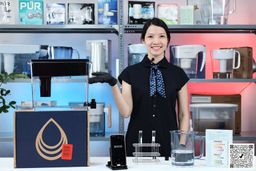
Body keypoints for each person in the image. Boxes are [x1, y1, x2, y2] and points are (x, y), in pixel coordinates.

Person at [89, 18, 190, 158]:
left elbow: (184, 115)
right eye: (150, 36)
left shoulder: (178, 74)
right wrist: (113, 84)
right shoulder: (130, 73)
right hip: (136, 144)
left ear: (168, 40)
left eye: (161, 36)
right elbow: (126, 112)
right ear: (143, 40)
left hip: (169, 146)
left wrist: (182, 145)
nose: (156, 41)